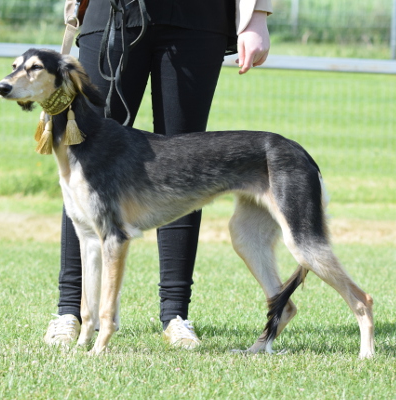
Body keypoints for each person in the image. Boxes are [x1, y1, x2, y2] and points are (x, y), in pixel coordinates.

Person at [44, 0, 272, 349]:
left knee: (185, 168)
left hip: (197, 17)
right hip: (111, 12)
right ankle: (70, 312)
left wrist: (257, 15)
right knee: (88, 163)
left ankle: (176, 315)